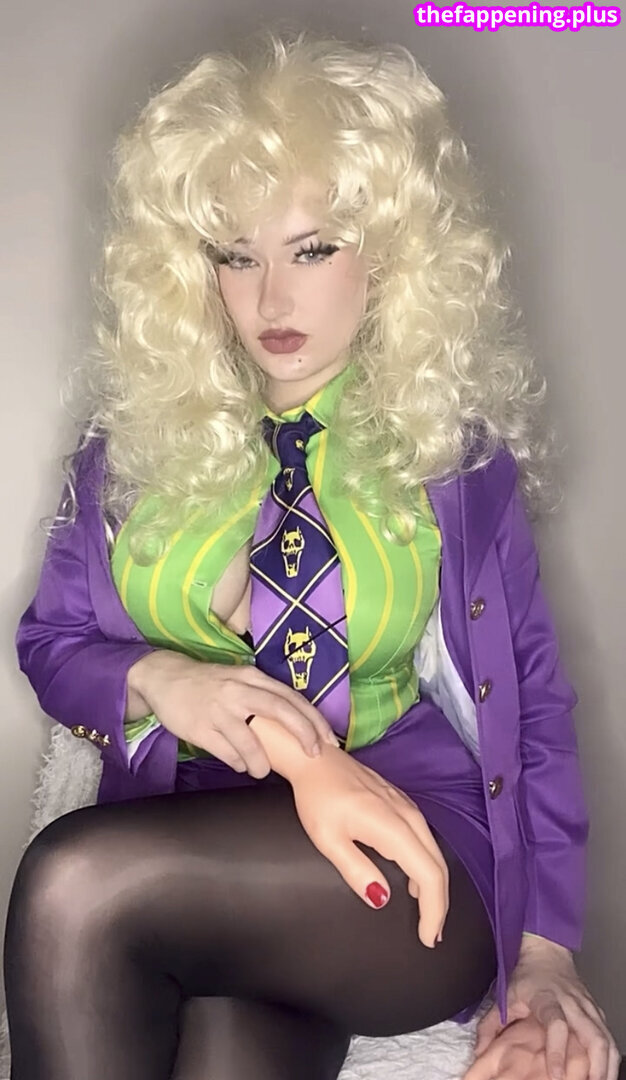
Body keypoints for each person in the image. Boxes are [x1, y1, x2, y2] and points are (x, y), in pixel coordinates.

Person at [3, 28, 622, 1080]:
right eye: (235, 256)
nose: (271, 301)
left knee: (76, 887)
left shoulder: (455, 462)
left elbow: (534, 706)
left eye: (313, 249)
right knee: (226, 1045)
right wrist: (165, 680)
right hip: (198, 837)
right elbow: (53, 643)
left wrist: (546, 952)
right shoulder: (128, 449)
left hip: (406, 839)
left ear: (387, 251)